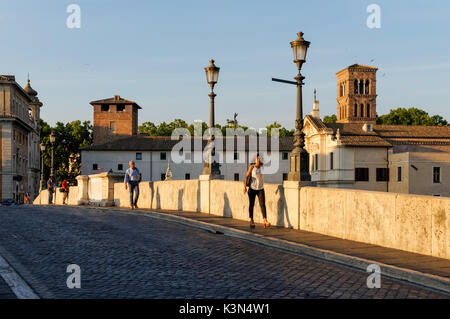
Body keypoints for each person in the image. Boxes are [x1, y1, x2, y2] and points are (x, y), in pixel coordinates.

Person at [244, 154, 270, 229]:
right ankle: (251, 220)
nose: (259, 160)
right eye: (258, 158)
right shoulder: (252, 167)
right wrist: (244, 187)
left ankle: (265, 220)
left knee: (262, 204)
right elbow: (246, 176)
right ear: (256, 159)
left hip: (260, 188)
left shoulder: (263, 168)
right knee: (251, 205)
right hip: (252, 188)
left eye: (260, 159)